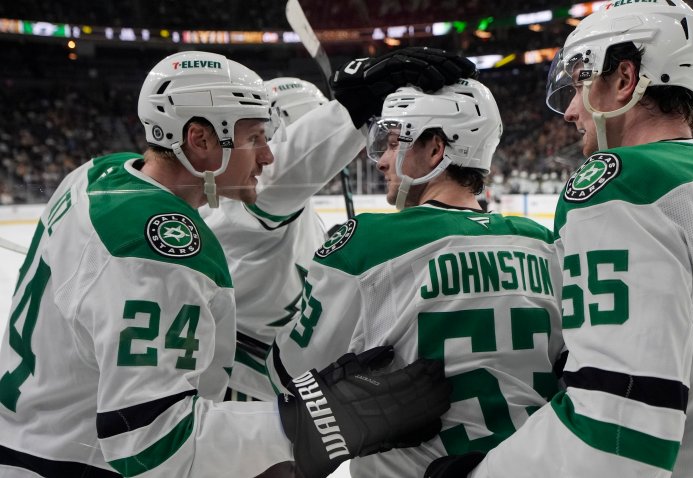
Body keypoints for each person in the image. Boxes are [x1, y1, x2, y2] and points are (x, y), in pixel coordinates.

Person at [0, 48, 479, 478]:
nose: (268, 153)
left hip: (34, 432)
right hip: (71, 462)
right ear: (201, 140)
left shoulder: (100, 175)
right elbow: (150, 445)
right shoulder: (159, 246)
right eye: (255, 138)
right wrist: (319, 421)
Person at [427, 2, 693, 477]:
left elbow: (619, 427)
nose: (571, 109)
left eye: (581, 81)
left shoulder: (624, 184)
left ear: (625, 78)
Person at [269, 79, 566, 478]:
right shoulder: (544, 243)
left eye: (394, 143)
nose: (381, 160)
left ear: (434, 149)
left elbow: (288, 373)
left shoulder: (368, 244)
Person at [202, 77, 350, 402]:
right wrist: (355, 113)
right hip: (240, 385)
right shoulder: (254, 198)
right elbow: (291, 167)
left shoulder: (292, 209)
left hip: (272, 381)